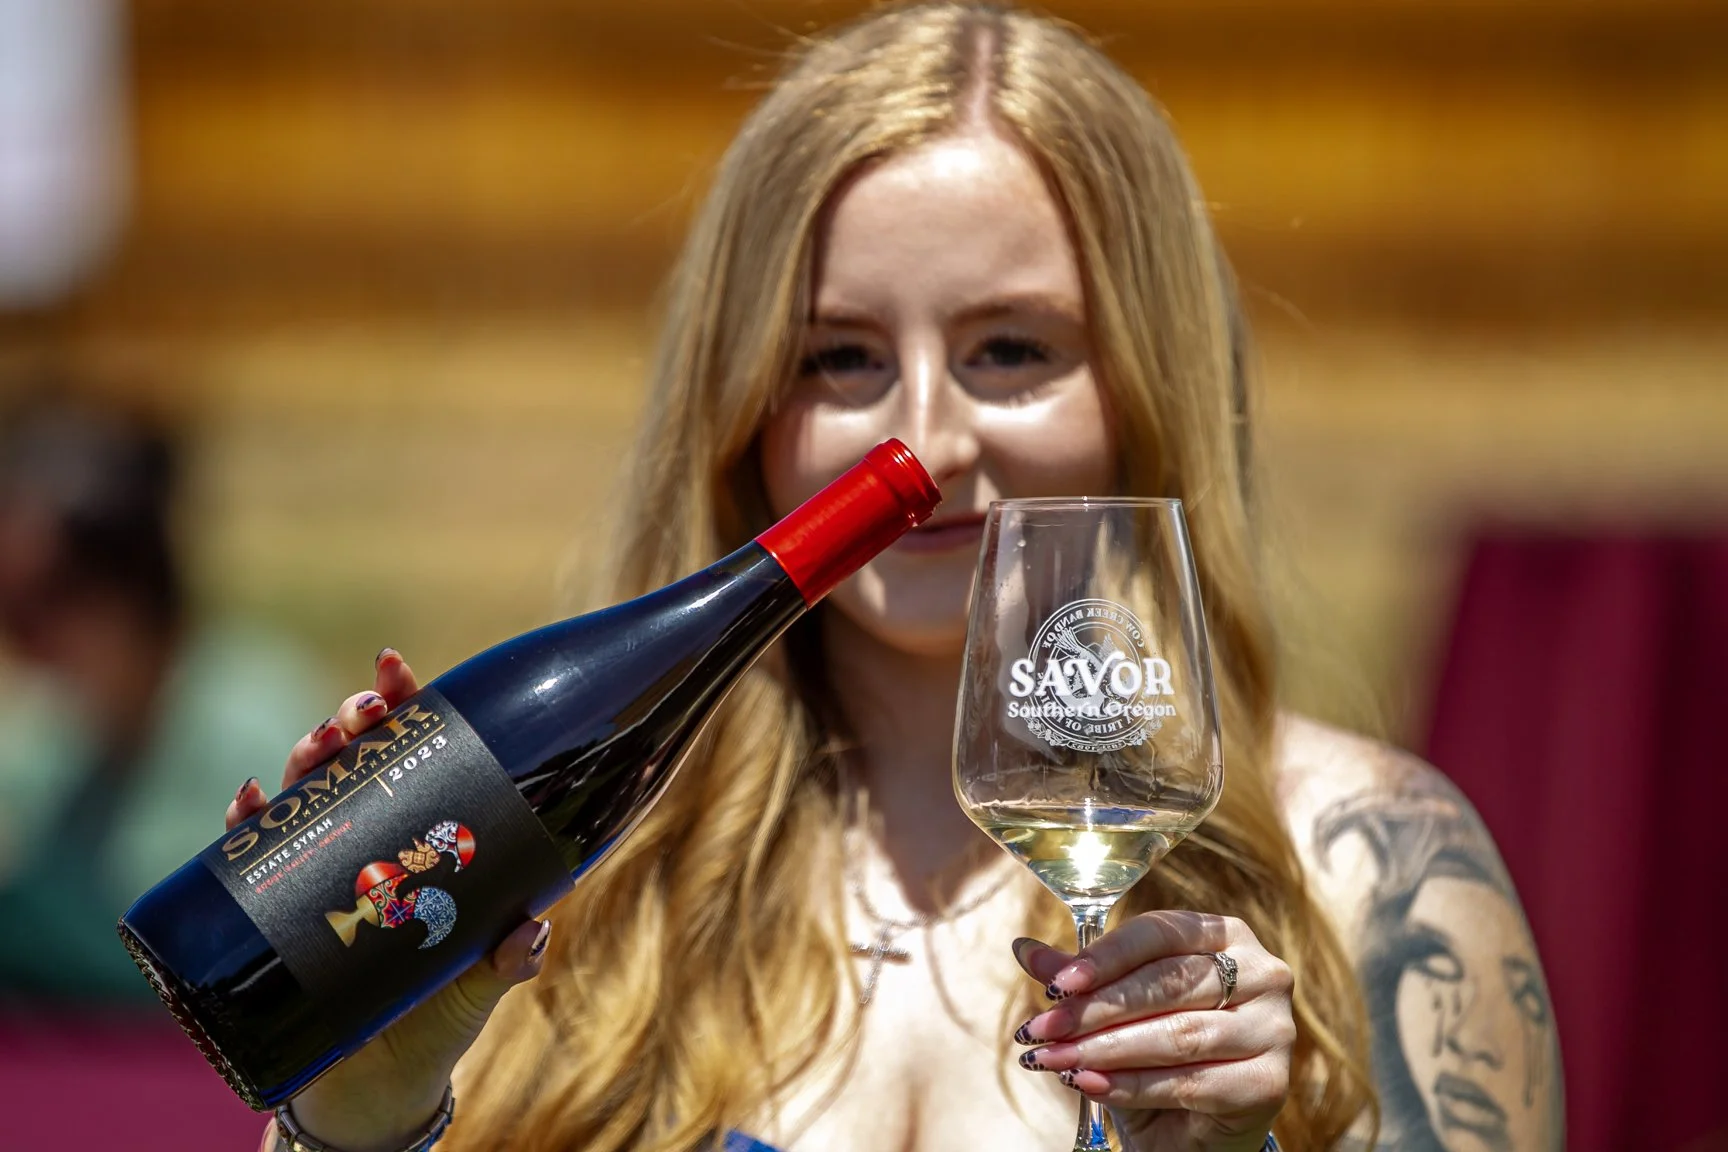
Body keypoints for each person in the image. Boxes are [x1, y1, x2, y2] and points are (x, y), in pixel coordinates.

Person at [229, 4, 1563, 1149]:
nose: (921, 438)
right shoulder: (584, 878)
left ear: (1145, 391)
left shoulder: (1369, 868)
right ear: (741, 408)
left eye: (1012, 351)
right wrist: (361, 1117)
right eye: (838, 358)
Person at [0, 392, 332, 1004]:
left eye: (37, 606)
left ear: (128, 588)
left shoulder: (260, 721)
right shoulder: (46, 734)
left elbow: (255, 953)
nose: (22, 644)